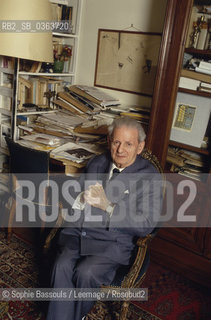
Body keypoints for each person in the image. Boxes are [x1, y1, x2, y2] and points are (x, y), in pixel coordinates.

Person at [46, 117, 163, 320]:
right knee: (61, 264)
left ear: (140, 147)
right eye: (116, 142)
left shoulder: (149, 177)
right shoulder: (97, 163)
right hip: (80, 232)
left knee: (86, 272)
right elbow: (80, 204)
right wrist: (79, 200)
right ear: (109, 141)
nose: (120, 150)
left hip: (113, 242)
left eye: (128, 144)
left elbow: (145, 225)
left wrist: (107, 206)